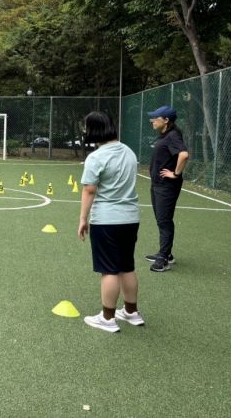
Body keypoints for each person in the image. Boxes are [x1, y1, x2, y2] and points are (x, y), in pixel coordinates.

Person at [77, 111, 144, 333]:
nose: (85, 132)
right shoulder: (129, 152)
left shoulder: (96, 157)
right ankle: (131, 312)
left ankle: (107, 318)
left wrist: (83, 219)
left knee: (109, 270)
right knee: (126, 265)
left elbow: (89, 190)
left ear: (94, 130)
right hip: (130, 218)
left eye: (86, 127)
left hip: (107, 220)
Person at [145, 105, 189, 272]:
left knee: (164, 221)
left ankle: (164, 258)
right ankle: (166, 253)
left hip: (167, 186)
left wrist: (175, 174)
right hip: (157, 185)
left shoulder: (173, 135)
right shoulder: (165, 135)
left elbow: (184, 154)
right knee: (161, 220)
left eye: (155, 118)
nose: (152, 121)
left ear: (166, 120)